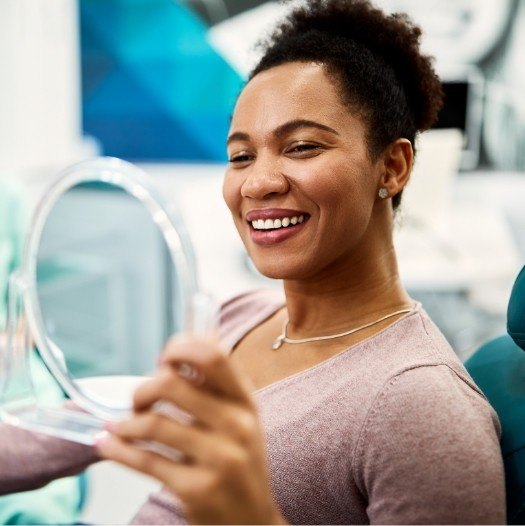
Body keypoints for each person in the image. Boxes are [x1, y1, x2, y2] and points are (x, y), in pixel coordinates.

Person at [0, 0, 505, 524]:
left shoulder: (421, 406)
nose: (259, 182)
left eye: (303, 147)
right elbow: (64, 432)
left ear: (394, 166)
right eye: (241, 156)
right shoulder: (238, 319)